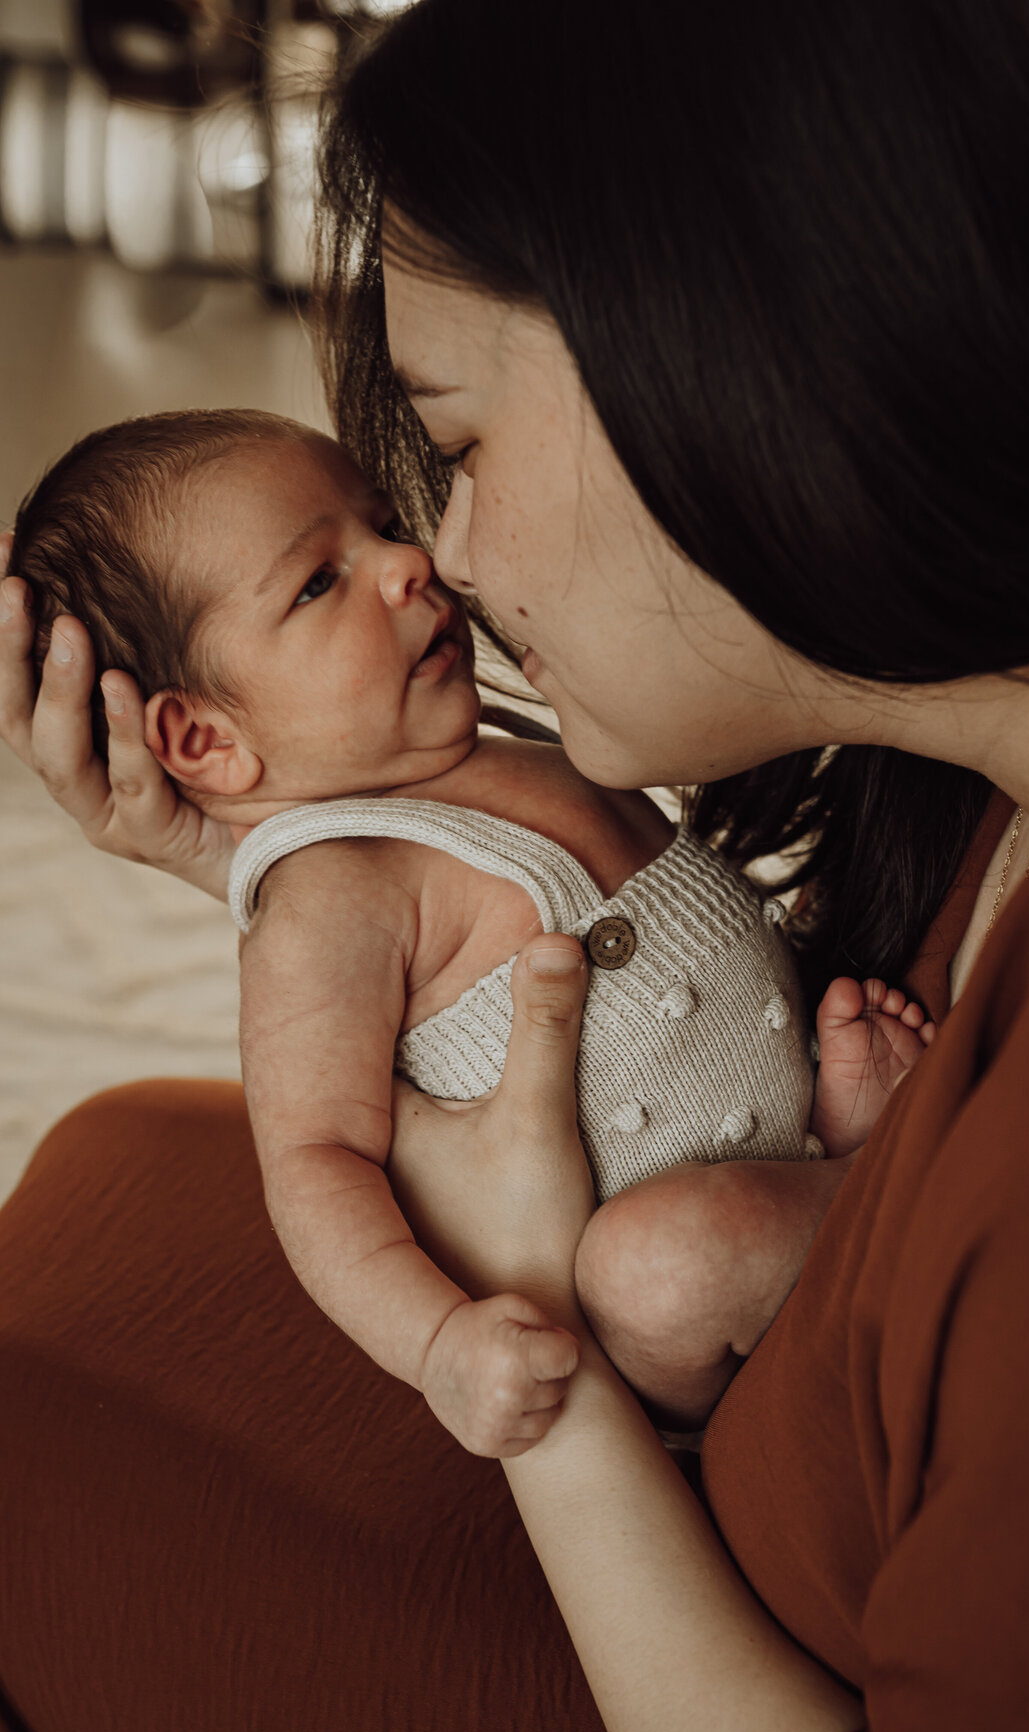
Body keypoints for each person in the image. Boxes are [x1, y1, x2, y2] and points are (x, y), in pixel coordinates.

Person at [1, 1, 1029, 1732]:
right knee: (111, 1160)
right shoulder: (1005, 738)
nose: (444, 556)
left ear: (748, 355)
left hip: (678, 1610)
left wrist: (534, 1342)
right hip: (679, 1338)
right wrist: (253, 852)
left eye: (454, 447)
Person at [10, 406, 931, 1453]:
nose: (408, 562)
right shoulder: (331, 901)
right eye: (319, 581)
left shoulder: (509, 742)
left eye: (386, 523)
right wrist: (440, 1344)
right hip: (654, 1329)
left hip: (760, 1158)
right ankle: (884, 1189)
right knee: (658, 1266)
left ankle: (824, 1170)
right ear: (202, 739)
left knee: (832, 1039)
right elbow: (316, 1161)